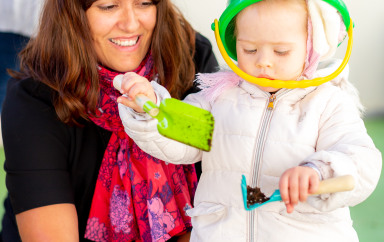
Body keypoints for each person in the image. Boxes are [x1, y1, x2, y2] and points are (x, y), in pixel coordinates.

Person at [116, 0, 382, 241]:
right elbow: (179, 142)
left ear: (311, 48)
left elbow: (361, 161)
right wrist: (151, 109)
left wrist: (319, 172)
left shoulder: (328, 103)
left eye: (281, 51)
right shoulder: (219, 98)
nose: (263, 62)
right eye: (250, 49)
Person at [1, 0, 218, 241]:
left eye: (144, 3)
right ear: (72, 13)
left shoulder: (191, 56)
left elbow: (222, 183)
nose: (130, 24)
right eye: (108, 6)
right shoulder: (34, 99)